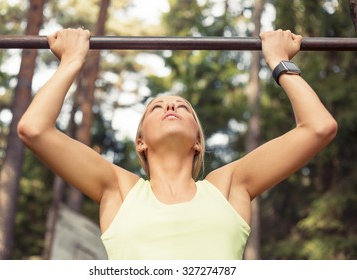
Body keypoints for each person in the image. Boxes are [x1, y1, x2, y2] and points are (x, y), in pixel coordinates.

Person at [17, 28, 337, 260]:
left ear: (198, 141)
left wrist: (279, 61)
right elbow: (34, 129)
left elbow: (319, 127)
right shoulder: (119, 189)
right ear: (140, 142)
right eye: (157, 107)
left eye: (182, 106)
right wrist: (72, 61)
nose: (170, 107)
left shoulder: (227, 187)